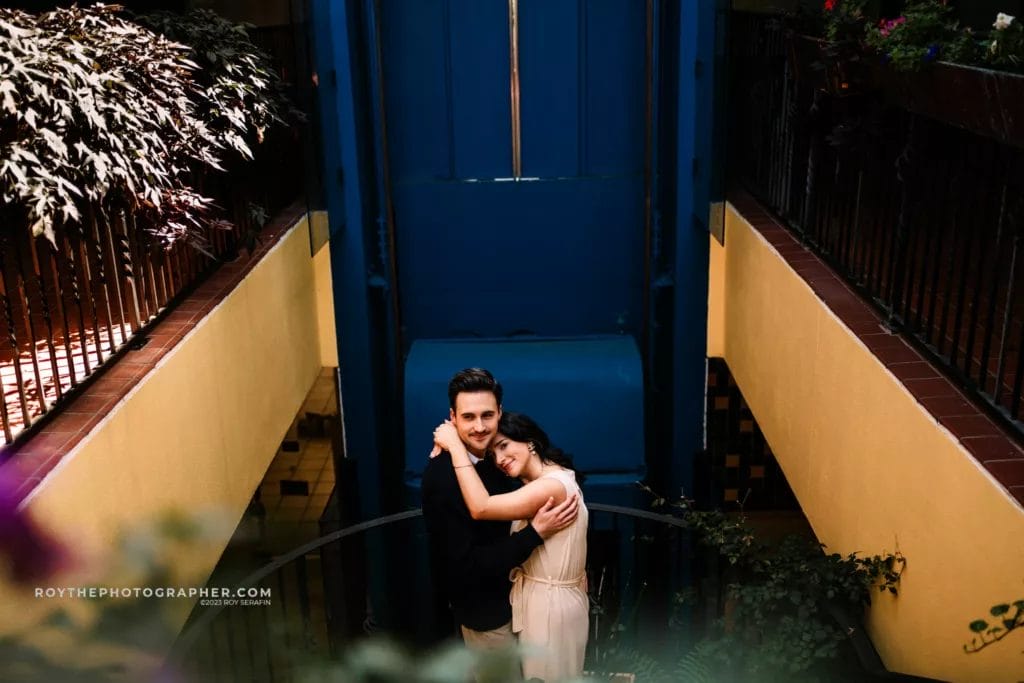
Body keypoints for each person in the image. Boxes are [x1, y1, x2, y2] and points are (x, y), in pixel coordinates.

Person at [421, 368, 579, 652]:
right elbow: (465, 565)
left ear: (500, 413)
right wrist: (534, 534)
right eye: (468, 417)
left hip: (522, 604)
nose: (479, 427)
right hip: (488, 617)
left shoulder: (497, 462)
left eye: (487, 415)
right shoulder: (442, 477)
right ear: (453, 418)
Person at [433, 411, 589, 682]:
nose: (500, 460)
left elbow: (481, 508)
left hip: (549, 606)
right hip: (546, 599)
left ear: (529, 442)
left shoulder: (550, 487)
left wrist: (456, 446)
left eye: (504, 446)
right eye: (493, 455)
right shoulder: (546, 477)